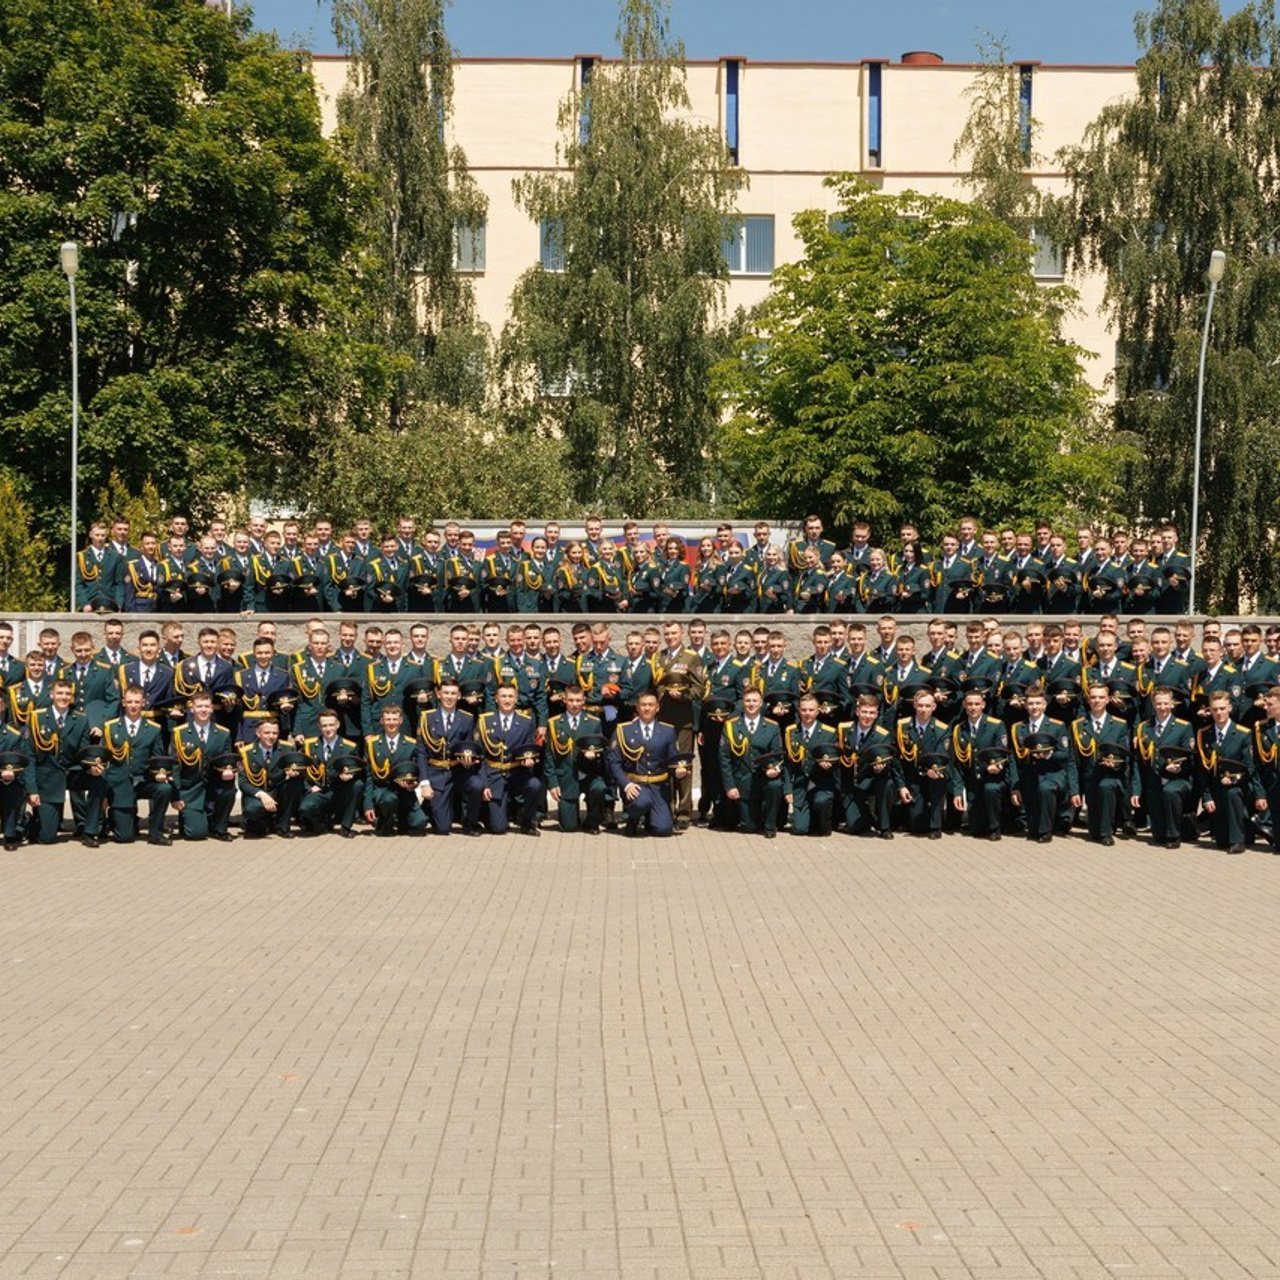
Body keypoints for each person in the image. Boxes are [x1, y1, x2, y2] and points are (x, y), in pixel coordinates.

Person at [26, 680, 107, 847]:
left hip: (73, 771)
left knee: (98, 780)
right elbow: (30, 757)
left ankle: (90, 830)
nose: (63, 697)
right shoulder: (36, 718)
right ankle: (32, 820)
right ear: (52, 695)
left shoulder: (81, 719)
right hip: (48, 776)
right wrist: (32, 790)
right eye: (60, 693)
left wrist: (92, 767)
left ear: (72, 697)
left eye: (67, 694)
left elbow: (85, 751)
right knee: (47, 838)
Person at [101, 684, 178, 845]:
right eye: (129, 702)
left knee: (164, 789)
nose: (133, 706)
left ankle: (155, 832)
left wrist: (160, 773)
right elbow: (103, 760)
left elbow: (158, 758)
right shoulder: (110, 727)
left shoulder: (154, 729)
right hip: (119, 783)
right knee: (124, 838)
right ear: (123, 703)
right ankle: (119, 819)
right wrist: (105, 792)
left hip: (143, 780)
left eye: (137, 702)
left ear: (144, 702)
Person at [649, 621, 705, 830]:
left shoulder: (691, 657)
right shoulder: (658, 657)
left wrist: (682, 695)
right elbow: (654, 686)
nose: (670, 636)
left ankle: (683, 812)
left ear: (682, 633)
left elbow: (699, 690)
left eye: (674, 633)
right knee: (665, 764)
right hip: (662, 720)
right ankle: (667, 807)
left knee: (683, 766)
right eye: (667, 633)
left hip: (683, 721)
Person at [470, 684, 544, 836]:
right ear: (496, 699)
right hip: (494, 774)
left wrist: (529, 760)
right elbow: (480, 757)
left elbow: (529, 747)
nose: (507, 700)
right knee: (498, 829)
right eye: (503, 696)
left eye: (510, 696)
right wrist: (484, 783)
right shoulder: (484, 721)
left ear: (516, 699)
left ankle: (527, 821)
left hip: (517, 772)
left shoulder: (526, 721)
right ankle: (486, 813)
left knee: (535, 785)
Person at [607, 691, 683, 837]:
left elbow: (673, 760)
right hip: (636, 785)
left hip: (659, 787)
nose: (647, 708)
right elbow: (614, 762)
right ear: (637, 707)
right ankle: (632, 819)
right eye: (643, 705)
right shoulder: (623, 730)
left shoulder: (668, 731)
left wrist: (678, 771)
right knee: (641, 802)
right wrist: (626, 785)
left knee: (663, 830)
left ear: (657, 708)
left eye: (650, 705)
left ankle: (650, 818)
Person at [1133, 687, 1196, 849]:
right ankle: (1166, 832)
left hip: (1178, 778)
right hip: (1154, 779)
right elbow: (1139, 761)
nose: (1162, 707)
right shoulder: (1144, 728)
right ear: (1153, 705)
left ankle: (1174, 836)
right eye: (1159, 703)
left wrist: (1178, 768)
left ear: (1172, 704)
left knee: (1170, 792)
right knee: (1158, 836)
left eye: (1166, 703)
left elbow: (1190, 758)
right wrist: (1136, 790)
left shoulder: (1183, 727)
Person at [1071, 684, 1133, 846]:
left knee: (1106, 788)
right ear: (1088, 700)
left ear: (1107, 700)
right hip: (1089, 776)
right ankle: (1101, 829)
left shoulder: (1119, 724)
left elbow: (1125, 753)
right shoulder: (1078, 725)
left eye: (1101, 697)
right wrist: (1074, 789)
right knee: (1094, 830)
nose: (1096, 700)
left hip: (1110, 774)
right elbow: (1073, 758)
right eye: (1093, 697)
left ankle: (1107, 832)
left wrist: (1115, 764)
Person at [1196, 689, 1257, 854]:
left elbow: (1250, 768)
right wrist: (1207, 797)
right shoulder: (1204, 734)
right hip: (1216, 788)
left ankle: (1238, 841)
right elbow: (1203, 771)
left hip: (1239, 786)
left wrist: (1235, 780)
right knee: (1221, 841)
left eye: (1222, 708)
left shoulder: (1243, 734)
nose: (1219, 713)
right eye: (1215, 709)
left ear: (1229, 708)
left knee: (1232, 794)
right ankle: (1243, 831)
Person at [415, 678, 477, 835]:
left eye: (453, 693)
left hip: (458, 770)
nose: (449, 697)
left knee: (476, 785)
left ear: (459, 696)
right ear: (438, 694)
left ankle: (471, 823)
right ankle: (430, 806)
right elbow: (421, 752)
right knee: (443, 829)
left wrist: (468, 761)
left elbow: (469, 747)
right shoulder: (426, 718)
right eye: (446, 693)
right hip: (436, 771)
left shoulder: (467, 718)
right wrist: (424, 782)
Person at [172, 691, 236, 841]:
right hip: (191, 788)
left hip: (214, 784)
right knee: (196, 834)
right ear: (191, 709)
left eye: (207, 706)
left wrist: (229, 770)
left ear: (212, 708)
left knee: (229, 789)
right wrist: (176, 795)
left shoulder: (223, 733)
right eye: (199, 706)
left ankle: (220, 828)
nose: (203, 710)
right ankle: (190, 817)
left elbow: (228, 761)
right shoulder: (179, 733)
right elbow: (175, 766)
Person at [543, 685, 608, 832]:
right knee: (569, 827)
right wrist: (552, 783)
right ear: (564, 700)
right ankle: (571, 815)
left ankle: (591, 822)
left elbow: (601, 750)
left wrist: (595, 755)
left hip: (588, 774)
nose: (574, 704)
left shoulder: (594, 722)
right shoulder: (554, 723)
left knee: (599, 788)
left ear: (584, 700)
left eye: (578, 700)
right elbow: (549, 756)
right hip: (566, 777)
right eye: (571, 700)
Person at [949, 688, 1010, 841]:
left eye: (977, 704)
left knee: (991, 790)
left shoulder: (996, 725)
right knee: (976, 830)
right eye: (969, 704)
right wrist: (957, 791)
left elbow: (1002, 752)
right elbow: (957, 763)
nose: (973, 707)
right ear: (963, 705)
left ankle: (996, 828)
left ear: (983, 705)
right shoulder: (959, 729)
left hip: (993, 778)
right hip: (973, 782)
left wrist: (996, 766)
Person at [362, 704, 427, 836]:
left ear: (400, 721)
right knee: (389, 799)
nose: (391, 723)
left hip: (405, 790)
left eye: (394, 719)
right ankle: (385, 821)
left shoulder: (410, 744)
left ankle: (402, 820)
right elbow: (368, 776)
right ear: (382, 721)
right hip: (383, 790)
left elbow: (416, 770)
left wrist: (413, 783)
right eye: (388, 719)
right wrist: (368, 804)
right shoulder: (372, 744)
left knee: (419, 824)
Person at [299, 709, 364, 837]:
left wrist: (350, 776)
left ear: (337, 725)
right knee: (305, 808)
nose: (328, 729)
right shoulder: (309, 746)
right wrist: (309, 787)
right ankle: (319, 825)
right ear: (319, 727)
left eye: (331, 725)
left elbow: (356, 769)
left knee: (358, 785)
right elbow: (301, 770)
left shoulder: (349, 746)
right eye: (324, 725)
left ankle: (346, 826)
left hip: (339, 790)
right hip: (319, 790)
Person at [783, 693, 839, 836]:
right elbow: (788, 764)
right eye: (804, 710)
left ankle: (824, 825)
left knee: (821, 802)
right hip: (801, 785)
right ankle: (808, 818)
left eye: (811, 710)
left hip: (821, 783)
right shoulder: (791, 732)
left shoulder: (829, 733)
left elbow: (836, 761)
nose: (807, 713)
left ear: (818, 710)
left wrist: (829, 766)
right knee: (799, 829)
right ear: (799, 710)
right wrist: (788, 789)